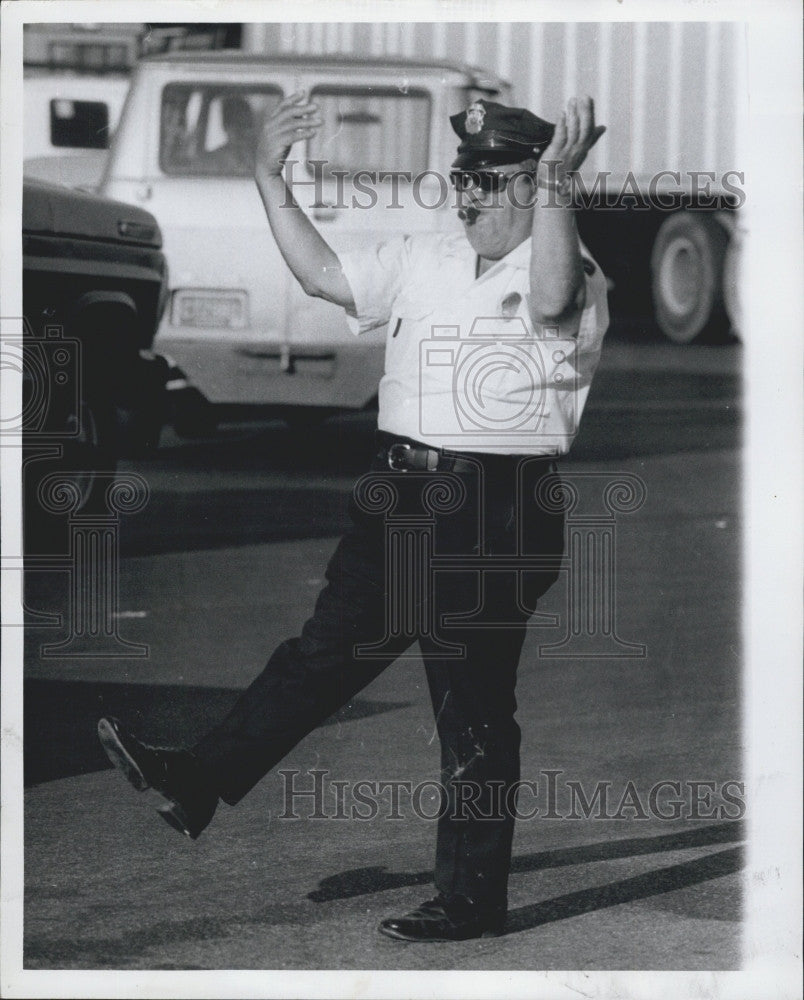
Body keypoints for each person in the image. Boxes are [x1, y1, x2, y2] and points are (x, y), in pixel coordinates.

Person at [98, 92, 608, 942]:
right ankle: (195, 784)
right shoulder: (425, 255)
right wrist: (268, 177)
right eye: (462, 178)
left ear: (532, 187)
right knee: (317, 658)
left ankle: (471, 900)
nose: (468, 195)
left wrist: (559, 186)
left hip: (494, 507)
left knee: (473, 707)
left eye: (490, 181)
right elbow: (322, 275)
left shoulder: (571, 270)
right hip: (398, 496)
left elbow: (553, 304)